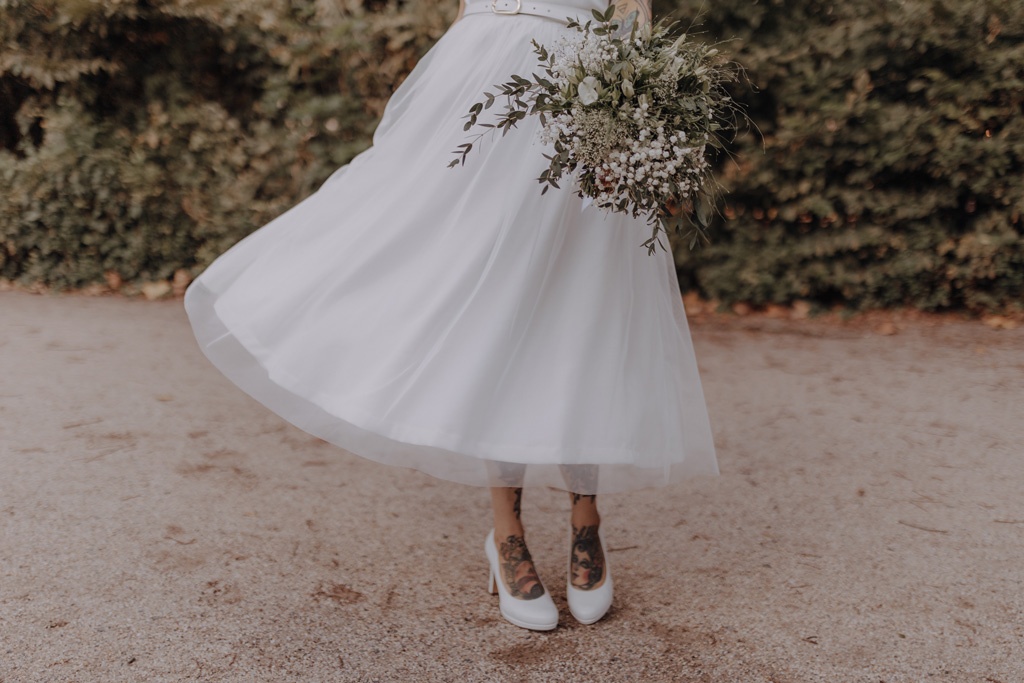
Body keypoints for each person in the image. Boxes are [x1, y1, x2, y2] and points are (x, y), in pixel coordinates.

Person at [183, 0, 718, 632]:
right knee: (496, 304)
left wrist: (637, 103)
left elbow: (637, 9)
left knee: (586, 305)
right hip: (493, 80)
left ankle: (586, 522)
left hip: (593, 78)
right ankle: (507, 533)